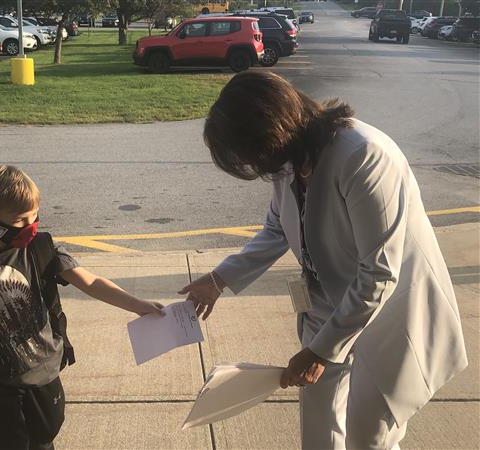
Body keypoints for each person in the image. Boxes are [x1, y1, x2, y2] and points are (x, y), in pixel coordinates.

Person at [179, 72, 468, 449]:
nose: (252, 163)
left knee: (369, 435)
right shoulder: (288, 160)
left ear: (273, 130)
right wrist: (218, 280)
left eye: (251, 153)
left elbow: (380, 273)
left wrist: (320, 351)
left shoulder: (362, 156)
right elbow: (276, 229)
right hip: (327, 305)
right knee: (319, 423)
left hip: (391, 311)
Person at [0, 165, 164, 450]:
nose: (31, 225)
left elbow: (90, 282)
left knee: (44, 438)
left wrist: (138, 305)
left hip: (43, 369)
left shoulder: (42, 248)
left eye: (35, 215)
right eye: (20, 220)